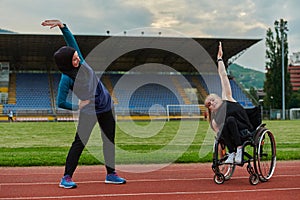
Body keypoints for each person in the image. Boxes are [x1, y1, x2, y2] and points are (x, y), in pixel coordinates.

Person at [41, 19, 126, 188]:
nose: (77, 59)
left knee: (109, 141)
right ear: (66, 63)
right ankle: (66, 177)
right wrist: (77, 106)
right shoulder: (66, 79)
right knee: (79, 143)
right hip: (89, 111)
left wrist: (63, 27)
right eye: (73, 59)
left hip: (107, 106)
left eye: (77, 56)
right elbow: (60, 102)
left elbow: (71, 42)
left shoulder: (81, 61)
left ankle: (111, 174)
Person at [204, 42, 253, 164]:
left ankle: (239, 150)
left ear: (219, 98)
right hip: (231, 135)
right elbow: (220, 138)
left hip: (244, 130)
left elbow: (223, 76)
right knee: (224, 125)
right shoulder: (215, 120)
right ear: (210, 110)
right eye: (209, 104)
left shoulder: (227, 98)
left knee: (230, 119)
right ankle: (232, 152)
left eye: (212, 99)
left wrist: (220, 59)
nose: (212, 103)